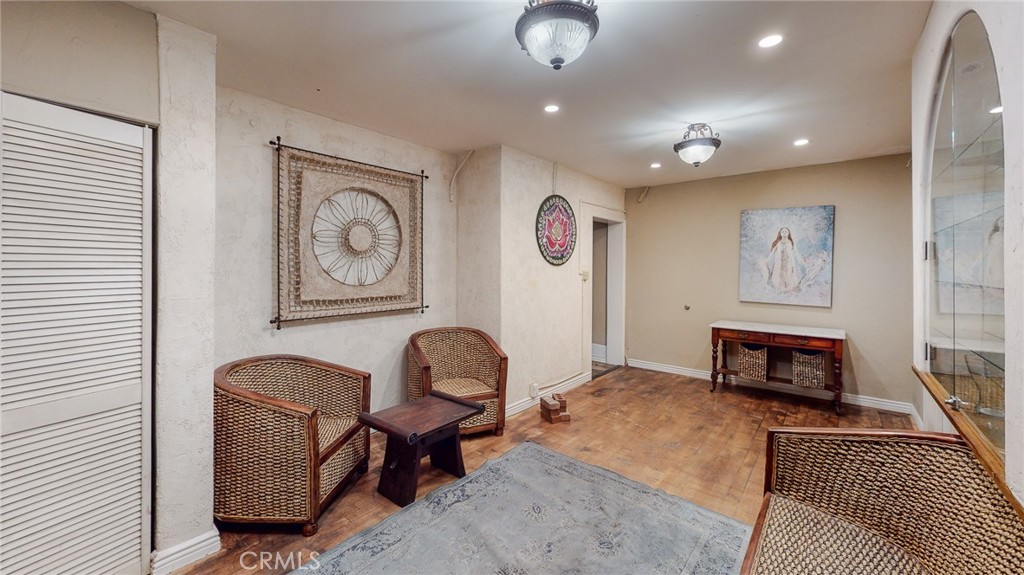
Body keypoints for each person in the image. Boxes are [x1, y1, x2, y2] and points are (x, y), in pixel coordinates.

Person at [766, 227, 805, 292]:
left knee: (788, 274)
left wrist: (801, 260)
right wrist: (768, 260)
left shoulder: (790, 242)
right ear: (780, 233)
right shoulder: (778, 242)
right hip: (779, 263)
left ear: (788, 233)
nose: (784, 233)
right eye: (783, 232)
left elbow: (795, 252)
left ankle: (788, 289)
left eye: (786, 231)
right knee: (780, 275)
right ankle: (780, 289)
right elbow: (773, 252)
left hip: (789, 262)